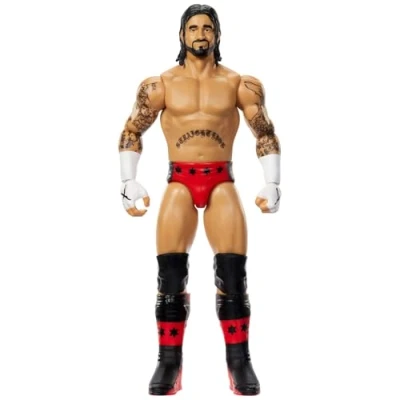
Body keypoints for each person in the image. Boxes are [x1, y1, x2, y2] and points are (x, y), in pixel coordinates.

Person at [118, 4, 281, 396]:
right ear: (182, 35)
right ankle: (168, 362)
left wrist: (272, 181)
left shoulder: (240, 84)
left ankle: (239, 362)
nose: (200, 34)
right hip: (180, 181)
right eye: (193, 28)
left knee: (233, 276)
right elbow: (132, 130)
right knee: (170, 277)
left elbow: (264, 131)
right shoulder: (160, 85)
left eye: (208, 27)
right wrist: (128, 179)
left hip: (221, 180)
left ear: (218, 34)